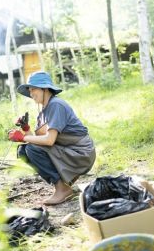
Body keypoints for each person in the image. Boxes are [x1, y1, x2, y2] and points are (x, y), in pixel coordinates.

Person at [8, 71, 96, 205]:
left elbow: (49, 140)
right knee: (23, 151)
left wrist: (23, 138)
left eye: (33, 90)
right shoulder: (43, 112)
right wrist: (26, 129)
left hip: (80, 153)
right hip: (67, 149)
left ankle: (62, 189)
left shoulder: (56, 105)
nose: (31, 94)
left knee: (30, 148)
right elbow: (38, 141)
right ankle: (63, 184)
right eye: (29, 91)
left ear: (45, 89)